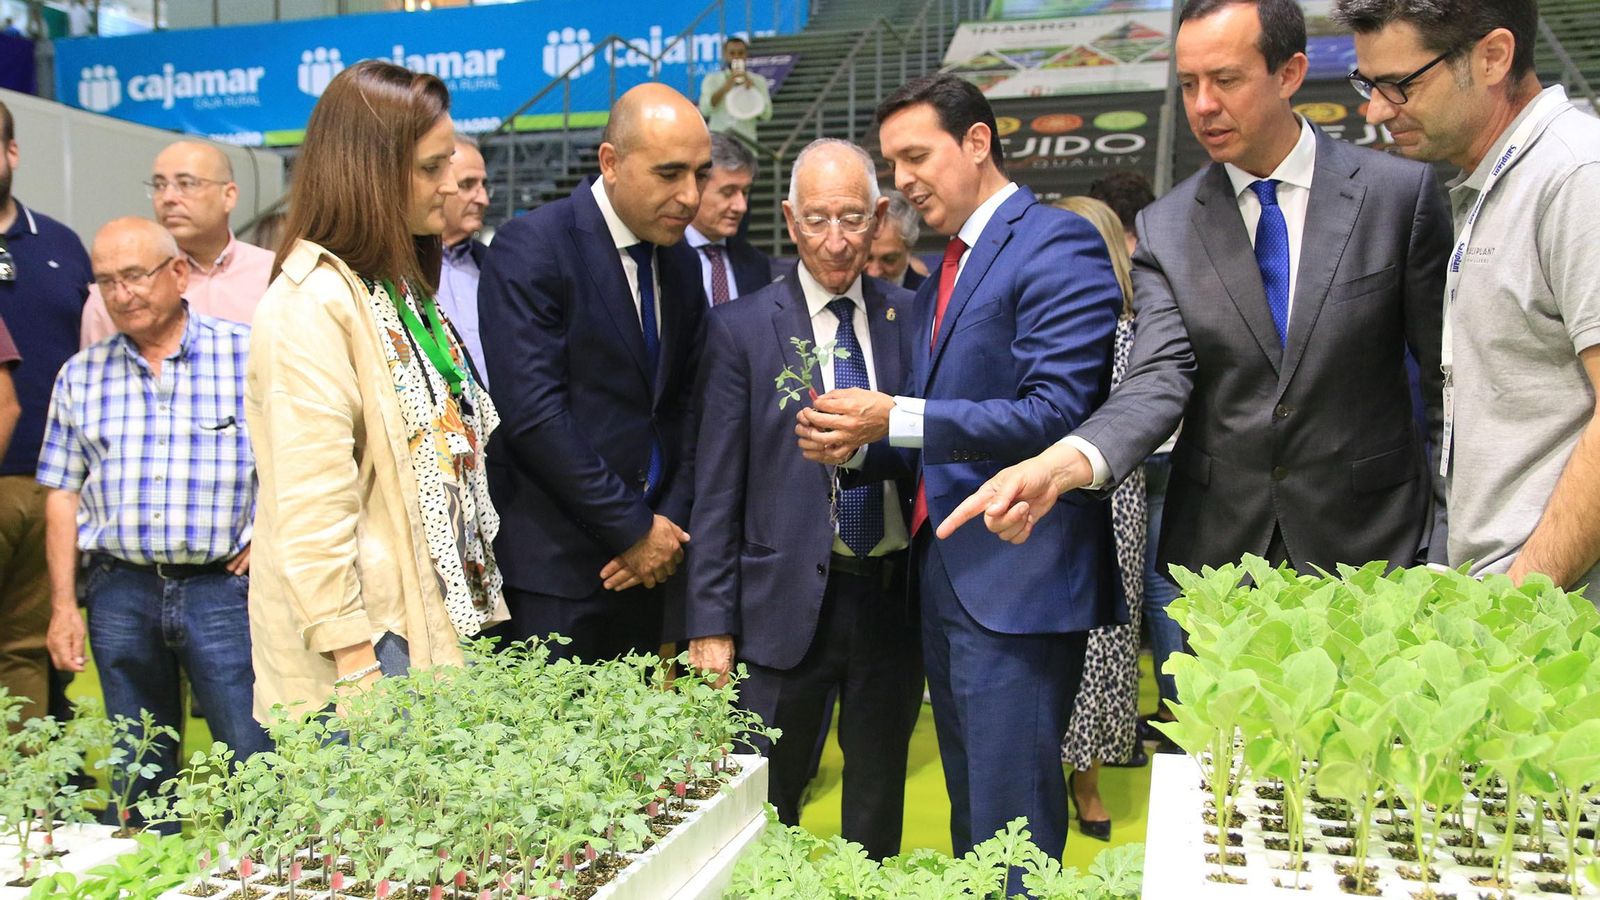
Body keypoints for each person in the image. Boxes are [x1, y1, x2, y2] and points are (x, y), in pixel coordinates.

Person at [940, 0, 1451, 586]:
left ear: (1289, 73)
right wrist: (1057, 468)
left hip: (1377, 545)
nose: (1203, 105)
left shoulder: (1397, 196)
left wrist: (1441, 541)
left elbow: (1448, 386)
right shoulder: (1167, 227)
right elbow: (1157, 379)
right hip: (1223, 557)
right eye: (1188, 84)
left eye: (1226, 80)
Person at [794, 74, 1123, 886]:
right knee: (978, 817)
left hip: (1018, 583)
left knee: (1011, 825)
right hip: (951, 580)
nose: (900, 180)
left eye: (915, 156)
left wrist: (893, 418)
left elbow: (1057, 411)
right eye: (891, 161)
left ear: (977, 142)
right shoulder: (954, 259)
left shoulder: (1053, 241)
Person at [246, 60, 507, 717]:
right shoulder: (310, 304)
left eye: (450, 163)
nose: (450, 186)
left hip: (425, 620)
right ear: (368, 171)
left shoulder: (396, 289)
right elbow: (310, 502)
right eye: (431, 168)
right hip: (367, 648)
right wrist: (353, 659)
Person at [687, 138, 921, 859]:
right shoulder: (741, 329)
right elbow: (717, 488)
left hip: (890, 599)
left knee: (879, 798)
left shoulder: (911, 318)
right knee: (765, 802)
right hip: (779, 606)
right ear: (789, 219)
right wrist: (710, 623)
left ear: (880, 216)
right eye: (818, 219)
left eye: (853, 218)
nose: (837, 240)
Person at [1337, 0, 1600, 593]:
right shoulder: (1494, 182)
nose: (1377, 110)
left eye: (1399, 85)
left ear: (1493, 57)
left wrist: (1525, 595)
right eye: (1368, 83)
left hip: (1560, 604)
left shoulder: (1577, 175)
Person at [38, 217, 269, 818]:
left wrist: (269, 533)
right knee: (136, 762)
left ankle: (272, 872)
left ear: (176, 273)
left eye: (135, 276)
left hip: (226, 588)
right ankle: (146, 866)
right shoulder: (80, 375)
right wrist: (64, 605)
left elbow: (295, 457)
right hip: (120, 589)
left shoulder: (246, 352)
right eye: (106, 282)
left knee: (252, 753)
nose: (122, 294)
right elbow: (61, 492)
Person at [478, 84, 709, 661]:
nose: (690, 196)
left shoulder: (680, 261)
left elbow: (684, 407)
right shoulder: (533, 247)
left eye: (700, 174)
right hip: (557, 577)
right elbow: (534, 416)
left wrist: (667, 529)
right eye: (670, 173)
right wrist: (633, 529)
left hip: (653, 567)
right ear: (611, 162)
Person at [1053, 196, 1147, 842]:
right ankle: (1046, 761)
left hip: (1117, 498)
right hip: (1045, 492)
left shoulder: (1138, 329)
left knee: (1106, 642)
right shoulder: (1038, 320)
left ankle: (1086, 780)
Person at [0, 99, 93, 728]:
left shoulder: (60, 244)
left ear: (11, 153)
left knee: (33, 649)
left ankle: (31, 800)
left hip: (54, 483)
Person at [1088, 168, 1180, 750]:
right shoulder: (1168, 257)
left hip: (1127, 455)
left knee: (1146, 590)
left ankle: (1165, 717)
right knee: (1164, 588)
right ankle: (1178, 716)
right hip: (1166, 447)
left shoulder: (1118, 278)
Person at [81, 142, 274, 346]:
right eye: (159, 186)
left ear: (228, 196)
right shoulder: (118, 291)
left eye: (186, 184)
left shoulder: (273, 275)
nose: (168, 198)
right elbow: (96, 371)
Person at [685, 133, 772, 305]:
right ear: (696, 187)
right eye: (728, 192)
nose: (741, 206)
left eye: (745, 192)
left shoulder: (756, 264)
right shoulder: (661, 257)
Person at [437, 133, 491, 382]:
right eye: (468, 185)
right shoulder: (398, 273)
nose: (483, 199)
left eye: (484, 186)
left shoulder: (494, 267)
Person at [698, 37, 772, 144]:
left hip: (747, 143)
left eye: (741, 53)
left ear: (746, 55)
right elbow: (705, 110)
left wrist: (753, 91)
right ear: (725, 55)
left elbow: (767, 114)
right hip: (720, 143)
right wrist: (725, 87)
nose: (736, 57)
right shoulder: (712, 79)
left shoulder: (758, 81)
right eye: (732, 53)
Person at [865, 189, 926, 291]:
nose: (873, 273)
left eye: (889, 259)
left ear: (909, 251)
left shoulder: (931, 300)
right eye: (866, 258)